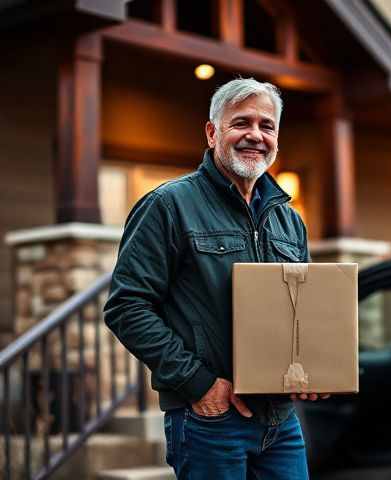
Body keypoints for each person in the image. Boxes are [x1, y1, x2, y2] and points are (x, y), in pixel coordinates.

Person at [104, 78, 325, 479]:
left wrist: (314, 370)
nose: (255, 135)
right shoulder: (168, 205)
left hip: (280, 421)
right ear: (212, 132)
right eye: (241, 123)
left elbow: (299, 315)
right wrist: (199, 383)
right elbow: (126, 306)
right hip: (209, 419)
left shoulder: (289, 220)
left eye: (267, 126)